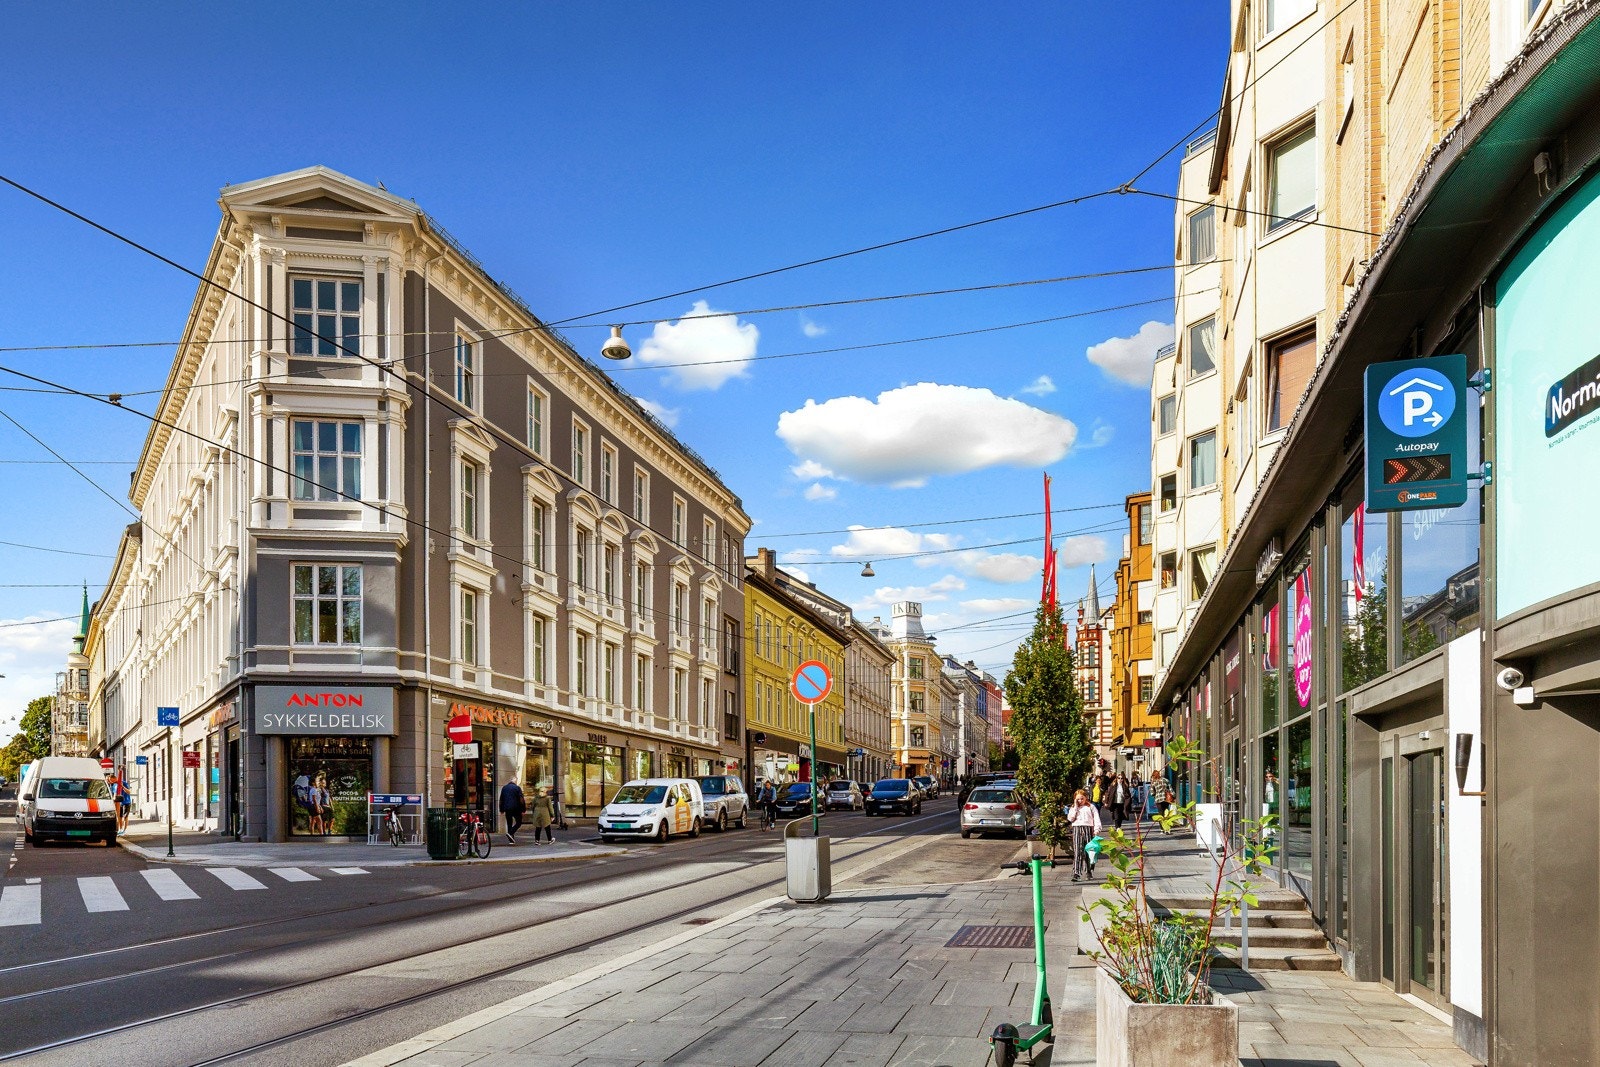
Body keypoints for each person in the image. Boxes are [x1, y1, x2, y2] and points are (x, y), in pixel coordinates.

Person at [1066, 789, 1103, 882]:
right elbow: (1070, 818)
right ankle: (1076, 873)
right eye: (1078, 799)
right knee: (1077, 851)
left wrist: (1097, 829)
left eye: (1082, 798)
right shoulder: (1073, 808)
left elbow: (1096, 818)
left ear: (1086, 798)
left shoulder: (1091, 807)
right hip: (1077, 829)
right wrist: (1075, 807)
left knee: (1089, 851)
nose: (1080, 801)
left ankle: (1089, 870)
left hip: (1088, 829)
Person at [498, 778, 526, 844]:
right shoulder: (517, 788)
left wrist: (501, 809)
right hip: (516, 808)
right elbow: (521, 799)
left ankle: (511, 840)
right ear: (515, 781)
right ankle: (510, 833)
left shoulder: (504, 788)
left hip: (507, 808)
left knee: (509, 823)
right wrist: (523, 809)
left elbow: (501, 799)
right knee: (519, 822)